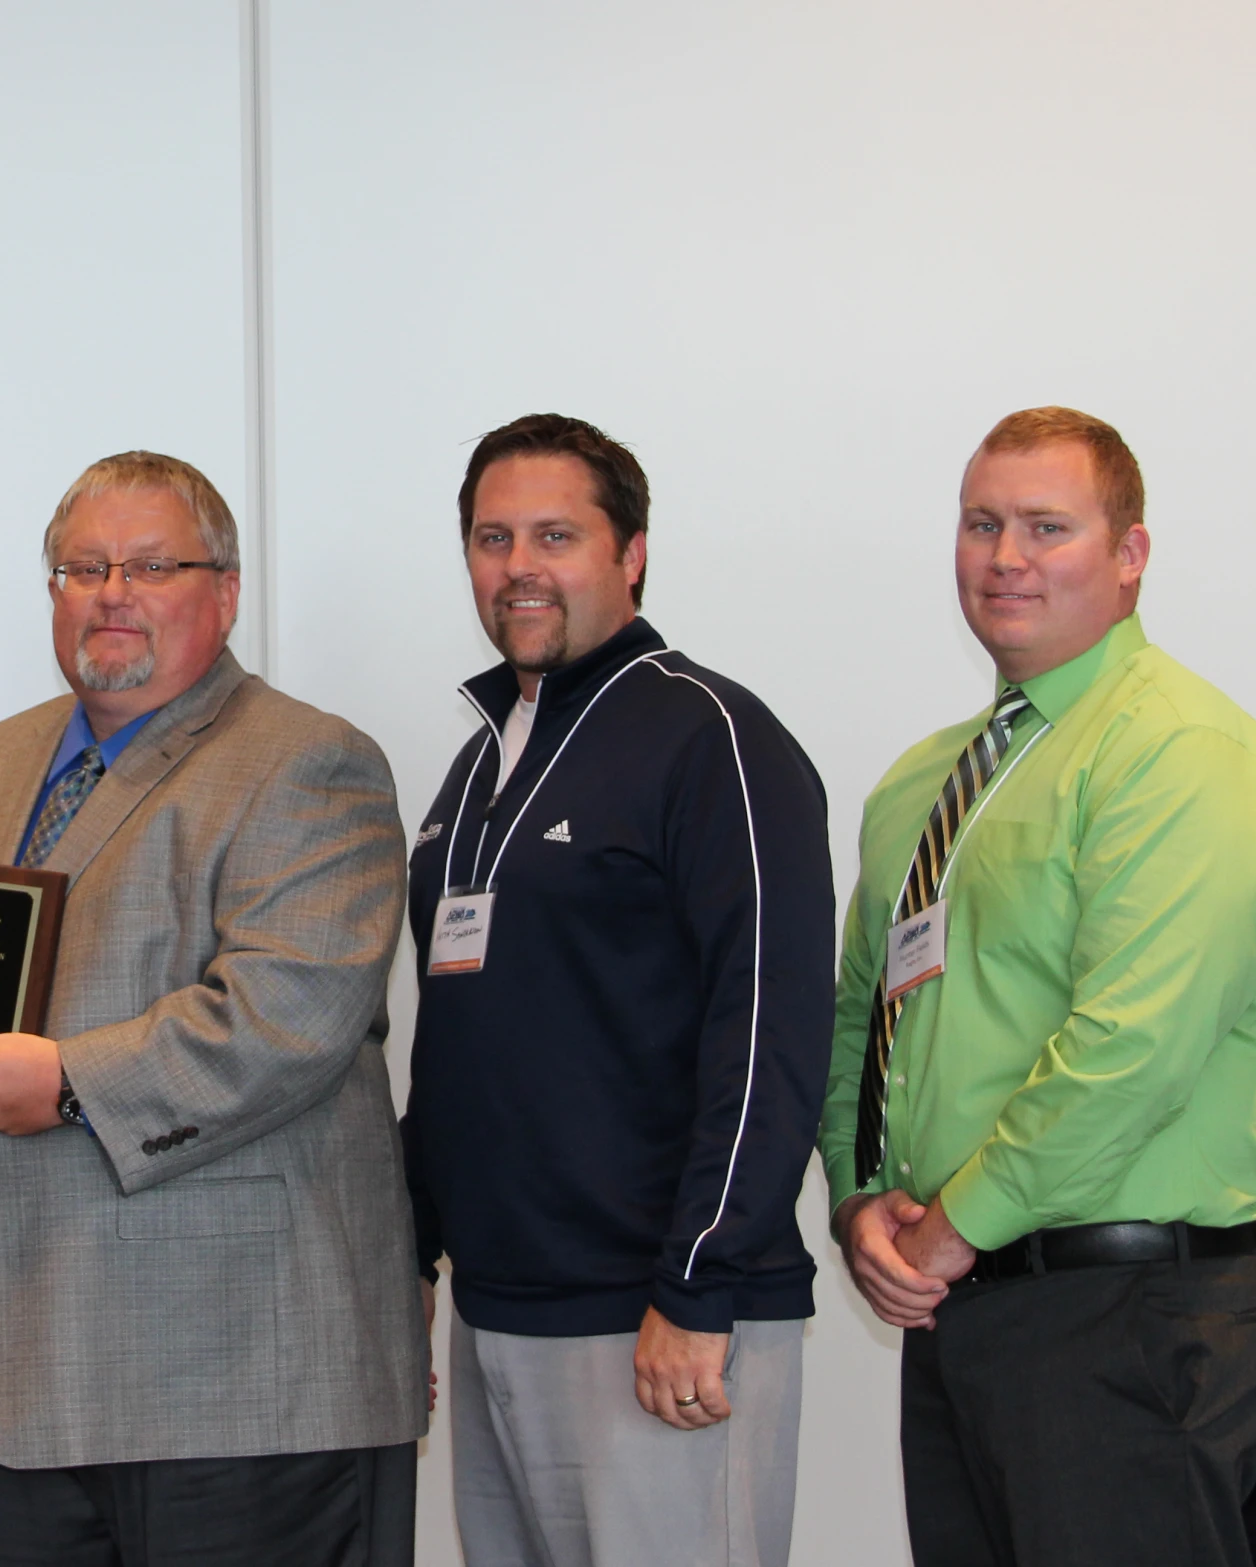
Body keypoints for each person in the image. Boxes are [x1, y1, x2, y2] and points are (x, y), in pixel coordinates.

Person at [0, 450, 427, 1567]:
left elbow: (284, 1016)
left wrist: (69, 1081)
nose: (110, 591)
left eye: (148, 564)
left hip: (238, 1384)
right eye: (81, 567)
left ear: (224, 592)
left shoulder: (309, 762)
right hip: (33, 1366)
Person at [819, 406, 1256, 1567]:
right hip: (968, 1311)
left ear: (1129, 555)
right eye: (982, 524)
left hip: (1128, 1321)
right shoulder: (922, 781)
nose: (1005, 557)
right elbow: (859, 1018)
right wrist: (861, 1194)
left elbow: (1129, 1049)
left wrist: (952, 1229)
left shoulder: (1183, 751)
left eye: (1046, 526)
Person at [399, 414, 834, 1567]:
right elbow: (459, 1058)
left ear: (630, 551)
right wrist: (414, 1256)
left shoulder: (711, 738)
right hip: (499, 1310)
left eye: (556, 533)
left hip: (655, 1318)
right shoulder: (476, 770)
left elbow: (773, 1028)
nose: (518, 565)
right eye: (493, 537)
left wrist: (700, 1281)